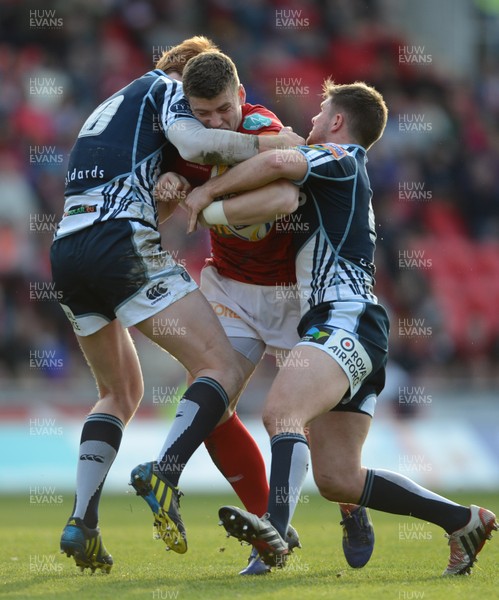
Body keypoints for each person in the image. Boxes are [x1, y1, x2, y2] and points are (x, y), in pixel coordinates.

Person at [185, 79, 498, 576]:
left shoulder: (342, 155)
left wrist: (203, 193)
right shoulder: (339, 174)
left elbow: (278, 163)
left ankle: (272, 536)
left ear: (336, 121)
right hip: (355, 328)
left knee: (282, 412)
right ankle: (463, 520)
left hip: (343, 318)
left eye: (318, 113)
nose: (308, 123)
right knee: (337, 478)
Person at [51, 36, 303, 574]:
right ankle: (165, 471)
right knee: (219, 365)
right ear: (186, 81)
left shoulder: (110, 104)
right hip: (118, 242)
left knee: (119, 392)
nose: (204, 114)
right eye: (197, 102)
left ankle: (82, 521)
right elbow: (194, 143)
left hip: (68, 248)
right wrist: (269, 148)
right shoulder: (167, 88)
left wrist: (166, 195)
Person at [156, 50, 376, 574]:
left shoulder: (263, 128)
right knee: (212, 403)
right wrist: (170, 187)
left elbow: (281, 194)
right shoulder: (180, 136)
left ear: (240, 96)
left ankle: (351, 503)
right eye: (201, 113)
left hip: (287, 295)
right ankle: (266, 530)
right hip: (229, 285)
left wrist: (203, 200)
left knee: (306, 424)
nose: (211, 123)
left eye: (221, 110)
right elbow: (167, 197)